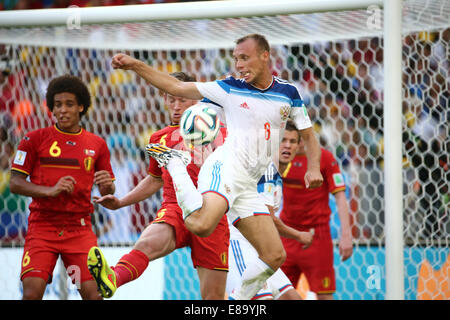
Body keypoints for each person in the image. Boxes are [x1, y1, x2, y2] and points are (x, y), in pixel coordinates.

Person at [112, 33, 323, 299]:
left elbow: (309, 134)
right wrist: (135, 65)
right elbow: (176, 87)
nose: (239, 65)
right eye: (236, 59)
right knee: (201, 225)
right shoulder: (228, 88)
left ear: (265, 56)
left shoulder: (289, 93)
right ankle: (176, 165)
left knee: (274, 254)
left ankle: (237, 299)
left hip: (248, 182)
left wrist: (313, 167)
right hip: (226, 168)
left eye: (244, 58)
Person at [87, 72, 230, 299]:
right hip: (176, 208)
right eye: (170, 99)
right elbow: (155, 178)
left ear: (195, 98)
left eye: (181, 99)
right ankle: (113, 278)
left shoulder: (218, 132)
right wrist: (122, 201)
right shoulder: (159, 139)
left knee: (212, 299)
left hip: (211, 213)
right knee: (146, 243)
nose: (175, 106)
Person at [9, 75, 115, 300]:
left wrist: (107, 187)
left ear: (81, 107)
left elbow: (109, 191)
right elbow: (15, 183)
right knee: (31, 293)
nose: (62, 110)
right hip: (43, 227)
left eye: (68, 104)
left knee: (93, 295)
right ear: (51, 108)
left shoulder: (97, 145)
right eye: (57, 105)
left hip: (79, 230)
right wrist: (49, 190)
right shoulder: (33, 140)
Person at [226, 120, 314, 300]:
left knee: (292, 298)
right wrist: (299, 236)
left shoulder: (277, 175)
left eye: (292, 141)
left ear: (298, 146)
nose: (287, 146)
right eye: (283, 140)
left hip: (261, 249)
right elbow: (268, 219)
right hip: (241, 243)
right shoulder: (266, 169)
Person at [279, 128, 353, 300]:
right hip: (287, 236)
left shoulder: (325, 158)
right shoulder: (282, 159)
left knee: (325, 297)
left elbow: (341, 196)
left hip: (317, 237)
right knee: (279, 295)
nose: (300, 142)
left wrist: (346, 235)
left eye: (305, 136)